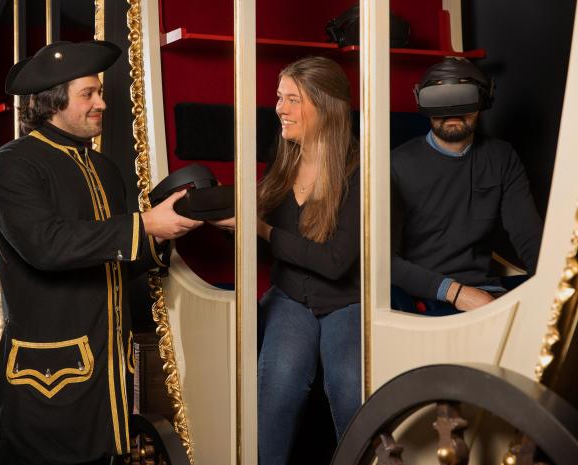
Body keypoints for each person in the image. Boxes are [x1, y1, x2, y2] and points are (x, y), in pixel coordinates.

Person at [0, 40, 202, 465]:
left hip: (107, 369)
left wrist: (167, 230)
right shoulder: (13, 165)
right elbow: (47, 246)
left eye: (99, 92)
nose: (102, 103)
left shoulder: (104, 170)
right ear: (53, 103)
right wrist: (144, 224)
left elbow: (112, 259)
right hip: (48, 375)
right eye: (88, 94)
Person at [212, 56, 361, 465]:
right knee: (277, 385)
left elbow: (335, 263)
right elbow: (266, 242)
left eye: (293, 99)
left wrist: (261, 229)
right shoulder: (284, 160)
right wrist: (228, 223)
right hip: (291, 297)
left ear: (326, 106)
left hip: (346, 302)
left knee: (348, 387)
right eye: (279, 98)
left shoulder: (360, 170)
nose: (280, 108)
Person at [391, 57, 543, 316]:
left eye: (463, 98)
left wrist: (554, 284)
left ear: (484, 100)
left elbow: (528, 236)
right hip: (423, 297)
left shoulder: (501, 157)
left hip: (487, 292)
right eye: (441, 100)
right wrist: (455, 292)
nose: (452, 111)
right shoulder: (396, 165)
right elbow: (383, 261)